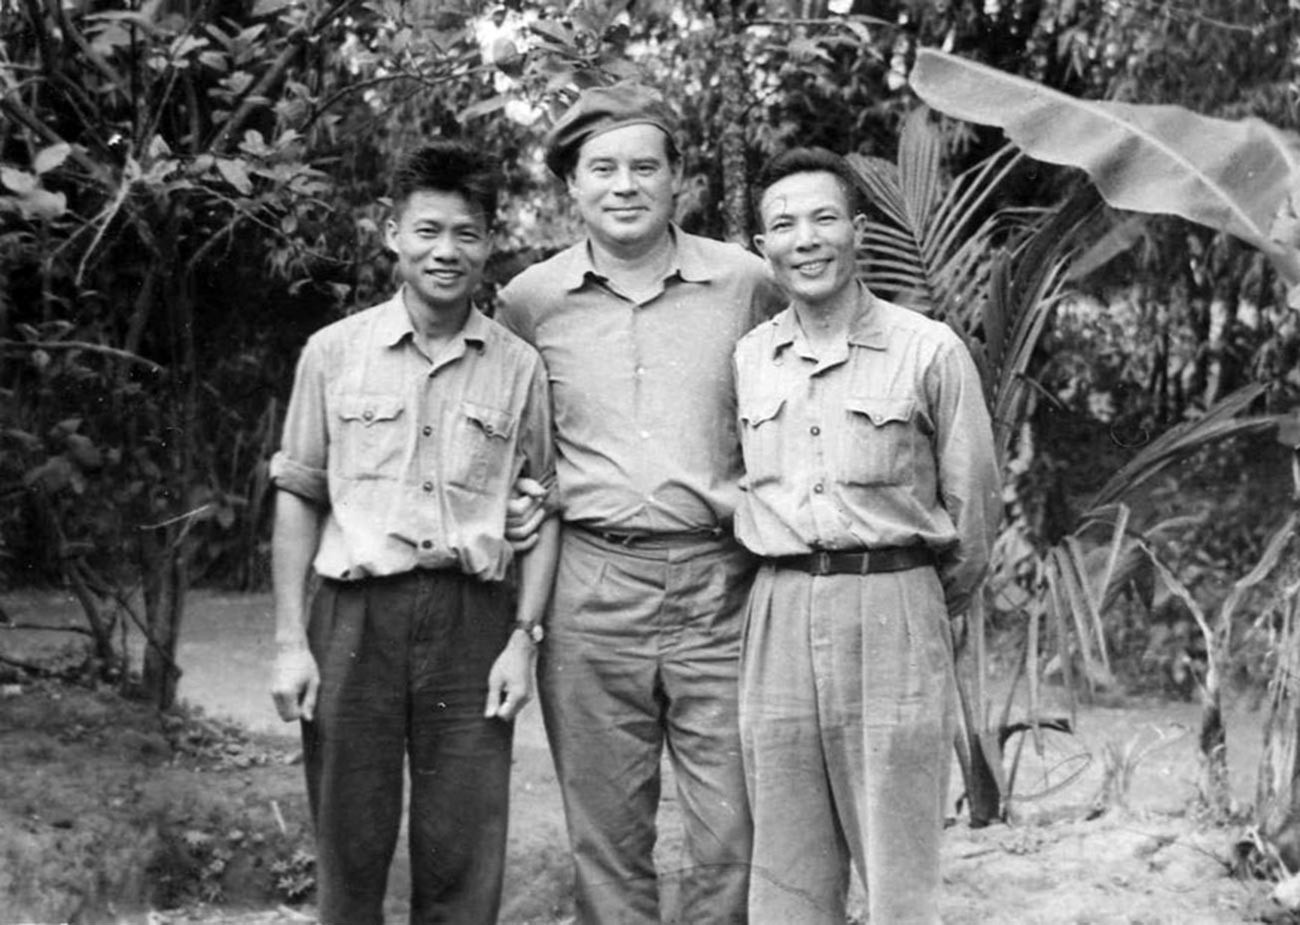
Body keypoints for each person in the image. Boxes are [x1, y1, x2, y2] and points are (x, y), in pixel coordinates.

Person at [495, 83, 784, 923]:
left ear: (677, 180)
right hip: (591, 584)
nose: (625, 186)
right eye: (603, 169)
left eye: (644, 167)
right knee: (606, 833)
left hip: (720, 583)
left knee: (735, 824)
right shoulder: (529, 301)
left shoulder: (746, 283)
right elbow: (516, 442)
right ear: (572, 186)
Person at [267, 140, 559, 925]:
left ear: (489, 243)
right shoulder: (333, 355)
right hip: (353, 620)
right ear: (390, 232)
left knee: (463, 852)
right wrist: (292, 641)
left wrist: (522, 640)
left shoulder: (518, 367)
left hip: (471, 623)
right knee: (349, 844)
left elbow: (546, 505)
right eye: (427, 230)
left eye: (466, 233)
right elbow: (297, 495)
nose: (446, 250)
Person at [734, 147, 1002, 924]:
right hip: (779, 610)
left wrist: (913, 597)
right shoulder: (751, 358)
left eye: (823, 218)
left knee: (898, 866)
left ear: (857, 231)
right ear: (764, 249)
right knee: (785, 865)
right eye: (783, 224)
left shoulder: (930, 349)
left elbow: (975, 509)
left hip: (894, 605)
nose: (805, 238)